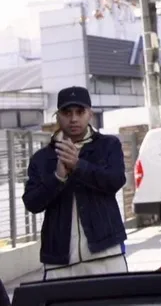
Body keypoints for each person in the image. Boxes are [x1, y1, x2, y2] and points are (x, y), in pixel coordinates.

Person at [22, 86, 128, 279]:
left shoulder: (108, 145)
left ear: (90, 114)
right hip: (59, 261)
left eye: (80, 112)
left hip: (106, 255)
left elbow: (115, 180)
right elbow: (32, 202)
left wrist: (79, 165)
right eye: (66, 112)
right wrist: (58, 177)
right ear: (57, 116)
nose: (73, 119)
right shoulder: (42, 158)